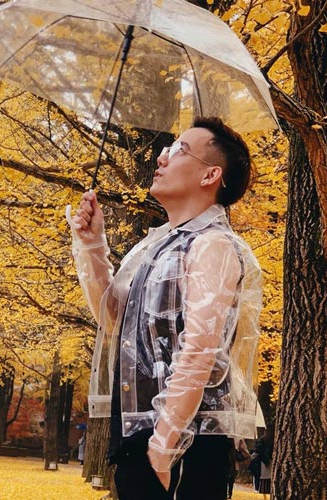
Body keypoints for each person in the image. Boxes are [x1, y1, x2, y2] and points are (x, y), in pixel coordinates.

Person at [67, 116, 262, 500]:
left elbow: (201, 349)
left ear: (210, 175)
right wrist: (92, 246)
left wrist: (165, 442)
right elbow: (117, 321)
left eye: (179, 150)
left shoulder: (212, 245)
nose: (162, 157)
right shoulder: (160, 245)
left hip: (185, 446)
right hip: (144, 435)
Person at [253, 428, 274, 499]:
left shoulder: (262, 439)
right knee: (270, 479)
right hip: (271, 461)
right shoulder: (274, 439)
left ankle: (265, 497)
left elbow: (258, 450)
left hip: (263, 462)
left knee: (264, 479)